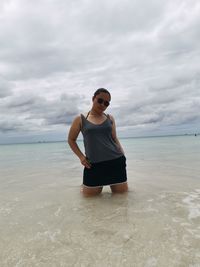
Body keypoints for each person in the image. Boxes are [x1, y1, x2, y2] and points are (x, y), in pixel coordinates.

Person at [68, 88, 128, 197]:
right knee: (89, 204)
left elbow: (114, 138)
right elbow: (71, 140)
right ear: (93, 99)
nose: (102, 105)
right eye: (100, 100)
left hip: (116, 162)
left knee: (122, 201)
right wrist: (81, 157)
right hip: (93, 166)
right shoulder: (81, 119)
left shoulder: (110, 118)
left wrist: (122, 154)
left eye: (106, 103)